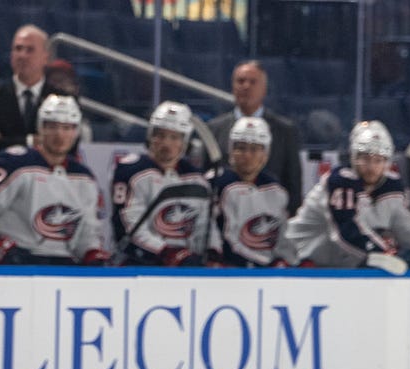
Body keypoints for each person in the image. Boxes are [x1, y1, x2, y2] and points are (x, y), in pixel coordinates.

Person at [0, 95, 110, 266]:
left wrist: (92, 252)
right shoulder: (14, 163)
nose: (60, 135)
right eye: (52, 126)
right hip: (17, 263)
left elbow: (87, 233)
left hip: (64, 266)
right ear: (40, 128)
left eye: (67, 128)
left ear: (76, 132)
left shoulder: (84, 177)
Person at [285, 120, 410, 271]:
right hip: (301, 262)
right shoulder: (339, 182)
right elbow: (345, 230)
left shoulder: (391, 186)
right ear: (353, 158)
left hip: (342, 265)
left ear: (387, 162)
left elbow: (406, 228)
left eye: (378, 160)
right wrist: (380, 253)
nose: (371, 167)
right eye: (365, 159)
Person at [110, 101, 210, 267]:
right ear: (150, 136)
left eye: (174, 137)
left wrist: (210, 253)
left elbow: (205, 226)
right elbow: (128, 227)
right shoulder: (130, 171)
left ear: (184, 141)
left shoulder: (196, 178)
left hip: (185, 265)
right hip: (141, 263)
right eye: (160, 135)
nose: (166, 143)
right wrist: (166, 252)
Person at [207, 60, 304, 211]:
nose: (246, 86)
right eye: (241, 81)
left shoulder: (285, 130)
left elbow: (293, 185)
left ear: (264, 89)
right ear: (233, 86)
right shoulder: (214, 128)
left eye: (253, 82)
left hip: (269, 218)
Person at [206, 116, 297, 267]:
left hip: (266, 271)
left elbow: (283, 237)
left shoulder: (276, 190)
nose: (247, 155)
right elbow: (223, 239)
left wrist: (283, 260)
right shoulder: (215, 183)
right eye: (241, 148)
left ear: (265, 154)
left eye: (254, 149)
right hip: (228, 270)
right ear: (231, 150)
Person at [0, 25, 51, 163]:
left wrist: (3, 140)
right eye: (18, 49)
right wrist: (32, 140)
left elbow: (67, 147)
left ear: (45, 57)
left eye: (30, 50)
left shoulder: (61, 98)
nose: (22, 55)